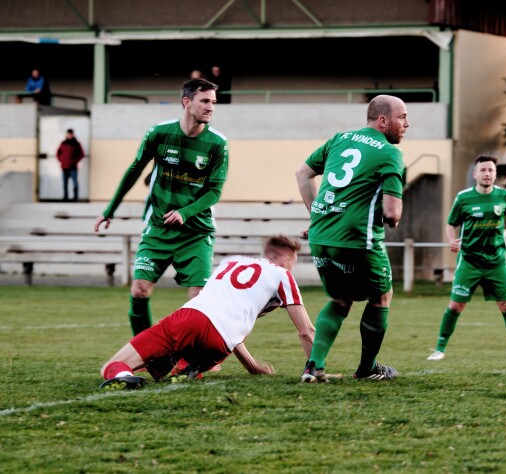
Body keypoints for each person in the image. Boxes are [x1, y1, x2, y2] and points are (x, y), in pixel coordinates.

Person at [94, 77, 228, 336]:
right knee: (140, 289)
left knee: (198, 297)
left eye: (213, 102)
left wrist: (184, 212)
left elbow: (214, 191)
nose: (211, 107)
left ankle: (193, 359)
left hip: (196, 232)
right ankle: (145, 353)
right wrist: (110, 210)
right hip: (157, 228)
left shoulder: (218, 144)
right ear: (187, 102)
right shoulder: (159, 133)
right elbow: (134, 170)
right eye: (205, 101)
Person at [99, 235, 316, 389]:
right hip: (219, 345)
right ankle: (187, 369)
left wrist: (253, 366)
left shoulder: (231, 262)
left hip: (190, 319)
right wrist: (317, 369)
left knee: (112, 366)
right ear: (287, 260)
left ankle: (123, 374)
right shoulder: (282, 275)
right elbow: (305, 330)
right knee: (179, 359)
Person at [295, 94, 407, 382]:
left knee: (340, 298)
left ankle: (313, 366)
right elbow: (392, 213)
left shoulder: (339, 139)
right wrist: (392, 215)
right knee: (382, 296)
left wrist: (317, 215)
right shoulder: (390, 153)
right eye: (402, 117)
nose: (407, 123)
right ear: (383, 121)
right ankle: (368, 369)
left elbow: (302, 173)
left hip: (321, 235)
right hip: (358, 241)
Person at [427, 154, 506, 362]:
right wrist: (452, 240)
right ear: (475, 174)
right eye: (483, 170)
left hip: (496, 261)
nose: (487, 174)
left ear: (495, 174)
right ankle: (439, 349)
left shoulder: (503, 196)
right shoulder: (463, 198)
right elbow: (451, 224)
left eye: (491, 170)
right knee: (456, 305)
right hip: (469, 261)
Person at [55, 129, 85, 201]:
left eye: (71, 134)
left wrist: (75, 161)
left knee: (75, 183)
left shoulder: (77, 144)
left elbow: (81, 154)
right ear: (67, 134)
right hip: (64, 167)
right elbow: (58, 153)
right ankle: (65, 197)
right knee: (65, 183)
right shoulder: (63, 143)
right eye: (68, 134)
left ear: (73, 134)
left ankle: (75, 197)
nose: (69, 135)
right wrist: (61, 160)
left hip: (73, 167)